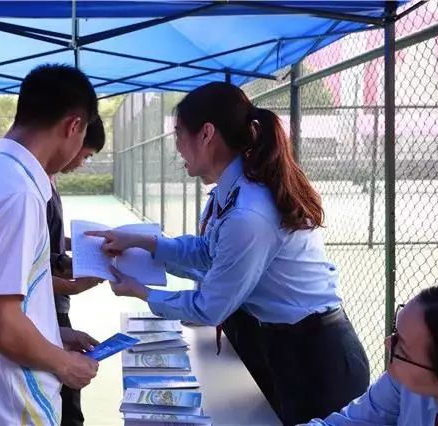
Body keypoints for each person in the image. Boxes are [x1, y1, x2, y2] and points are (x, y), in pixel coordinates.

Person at [87, 82, 370, 425]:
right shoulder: (232, 193)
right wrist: (143, 242)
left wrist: (142, 292)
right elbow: (208, 254)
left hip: (317, 359)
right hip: (286, 346)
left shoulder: (248, 213)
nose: (176, 146)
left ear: (206, 134)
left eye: (179, 134)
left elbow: (210, 307)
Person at [0, 64, 100, 426]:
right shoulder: (17, 193)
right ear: (73, 126)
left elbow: (0, 299)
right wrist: (65, 364)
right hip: (15, 409)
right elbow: (0, 325)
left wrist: (53, 335)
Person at [303, 284, 438, 426]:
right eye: (395, 330)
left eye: (402, 348)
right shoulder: (401, 382)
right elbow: (348, 422)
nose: (388, 342)